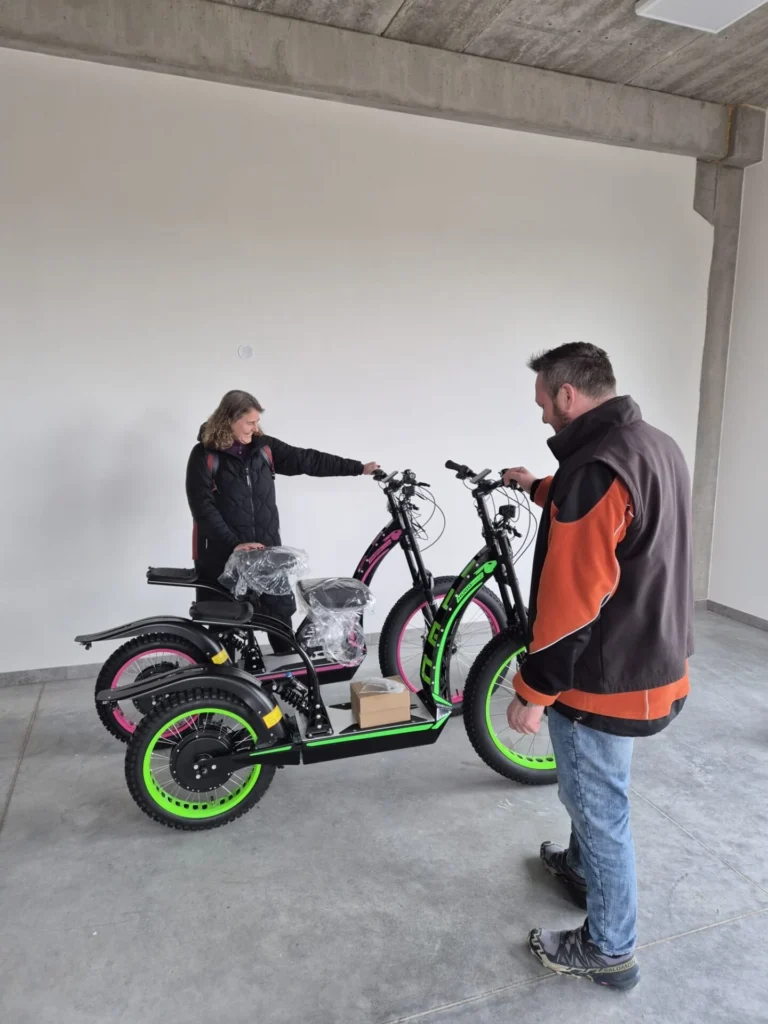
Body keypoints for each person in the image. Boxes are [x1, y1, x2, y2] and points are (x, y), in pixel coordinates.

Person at [502, 342, 693, 991]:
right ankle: (580, 871)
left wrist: (535, 689)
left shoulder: (596, 470)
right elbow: (614, 514)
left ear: (567, 394)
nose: (542, 416)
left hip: (604, 678)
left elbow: (572, 602)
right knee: (595, 790)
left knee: (598, 804)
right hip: (654, 661)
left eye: (543, 403)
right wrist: (538, 487)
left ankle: (610, 948)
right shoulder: (653, 445)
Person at [186, 389, 379, 651]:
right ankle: (225, 675)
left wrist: (358, 468)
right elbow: (202, 508)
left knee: (278, 620)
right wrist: (234, 544)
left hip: (265, 551)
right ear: (229, 419)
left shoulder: (263, 448)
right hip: (222, 555)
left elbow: (308, 460)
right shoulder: (204, 455)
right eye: (250, 422)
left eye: (257, 422)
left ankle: (287, 667)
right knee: (225, 629)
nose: (255, 428)